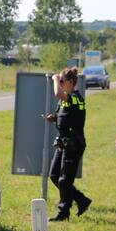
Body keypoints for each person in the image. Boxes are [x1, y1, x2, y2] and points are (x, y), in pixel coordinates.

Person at [44, 67, 92, 222]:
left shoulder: (75, 97)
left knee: (65, 179)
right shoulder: (64, 100)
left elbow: (58, 93)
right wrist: (54, 118)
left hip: (74, 143)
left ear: (70, 82)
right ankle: (81, 199)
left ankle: (63, 212)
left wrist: (54, 79)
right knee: (54, 175)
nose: (61, 83)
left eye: (62, 81)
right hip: (64, 142)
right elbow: (65, 116)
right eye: (60, 81)